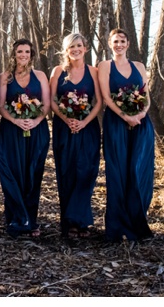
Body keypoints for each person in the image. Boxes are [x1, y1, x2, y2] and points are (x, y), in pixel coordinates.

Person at [97, 28, 155, 242]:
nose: (119, 44)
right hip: (116, 124)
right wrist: (125, 116)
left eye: (122, 40)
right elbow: (106, 97)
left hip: (141, 124)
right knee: (118, 173)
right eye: (115, 41)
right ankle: (117, 227)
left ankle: (138, 223)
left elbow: (146, 97)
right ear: (109, 44)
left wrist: (140, 115)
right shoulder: (105, 66)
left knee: (138, 172)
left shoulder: (139, 66)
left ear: (128, 43)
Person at [49, 33, 102, 238]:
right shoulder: (58, 71)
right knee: (67, 171)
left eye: (79, 45)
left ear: (86, 48)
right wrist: (66, 118)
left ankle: (82, 219)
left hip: (88, 128)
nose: (76, 49)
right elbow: (53, 100)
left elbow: (98, 101)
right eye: (71, 46)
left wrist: (84, 122)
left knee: (86, 171)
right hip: (64, 128)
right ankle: (70, 222)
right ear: (66, 50)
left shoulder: (94, 72)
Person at [0, 38, 50, 238]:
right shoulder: (5, 77)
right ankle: (16, 220)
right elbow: (1, 105)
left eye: (27, 52)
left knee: (32, 174)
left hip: (37, 131)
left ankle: (31, 220)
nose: (23, 55)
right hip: (12, 131)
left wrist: (35, 121)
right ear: (14, 54)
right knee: (12, 173)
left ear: (32, 54)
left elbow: (46, 104)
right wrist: (16, 121)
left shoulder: (41, 76)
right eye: (20, 52)